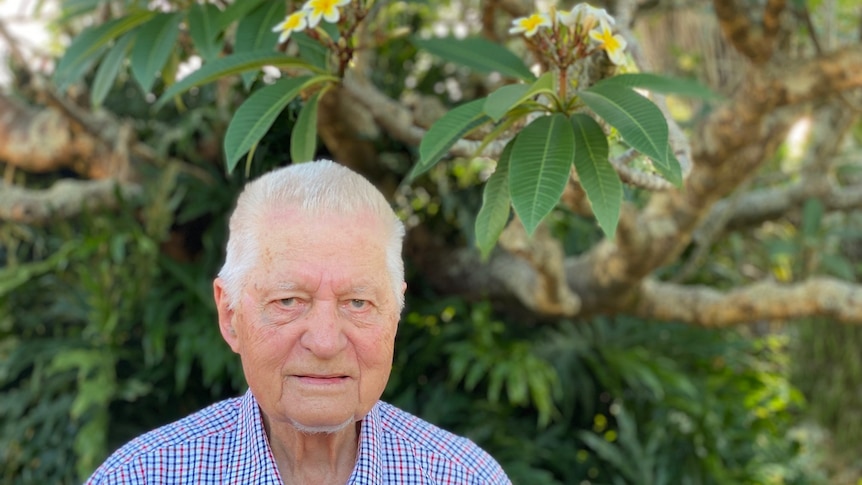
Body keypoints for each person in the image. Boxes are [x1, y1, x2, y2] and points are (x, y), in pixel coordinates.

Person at [86, 160, 511, 484]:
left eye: (358, 302)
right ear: (230, 316)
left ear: (394, 316)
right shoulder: (141, 476)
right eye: (289, 300)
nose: (325, 342)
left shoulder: (464, 477)